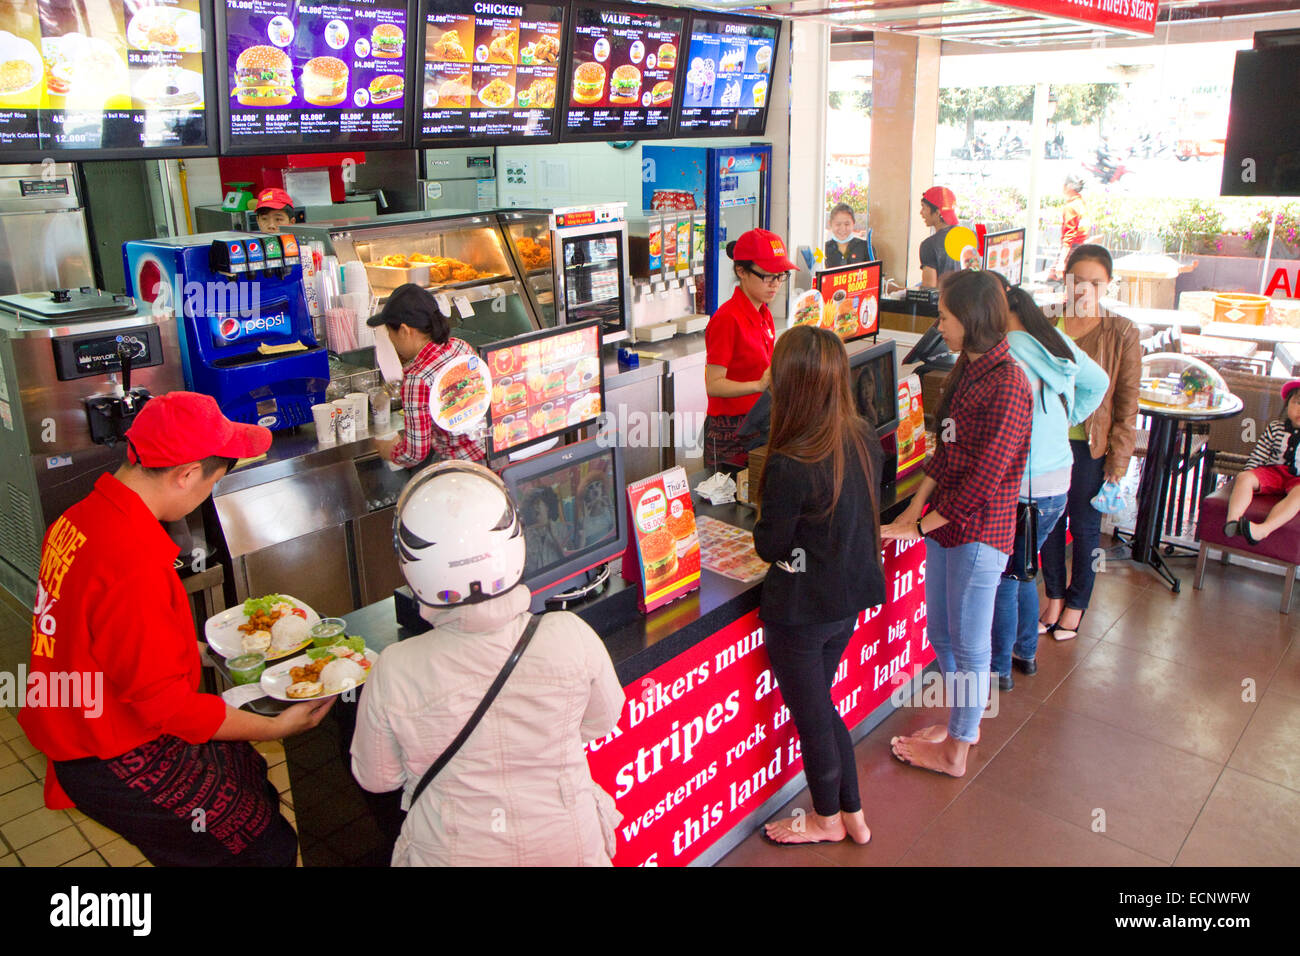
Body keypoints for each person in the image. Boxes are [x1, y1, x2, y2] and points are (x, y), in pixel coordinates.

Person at [17, 392, 335, 866]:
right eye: (213, 481)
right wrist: (277, 726)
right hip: (112, 752)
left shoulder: (78, 516)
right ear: (186, 474)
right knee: (262, 847)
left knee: (249, 779)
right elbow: (164, 705)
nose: (209, 492)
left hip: (91, 719)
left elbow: (98, 634)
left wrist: (203, 652)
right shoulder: (131, 559)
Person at [351, 462, 625, 865]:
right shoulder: (569, 634)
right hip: (568, 846)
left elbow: (377, 778)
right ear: (513, 540)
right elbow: (603, 720)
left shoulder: (395, 668)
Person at [881, 270, 1032, 777]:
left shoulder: (1010, 383)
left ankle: (957, 750)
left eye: (944, 317)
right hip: (945, 526)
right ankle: (960, 723)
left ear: (970, 319)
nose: (938, 325)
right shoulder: (967, 367)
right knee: (942, 633)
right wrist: (912, 510)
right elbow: (945, 452)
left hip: (978, 534)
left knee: (970, 646)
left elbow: (984, 481)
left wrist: (920, 527)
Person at [753, 325, 883, 845]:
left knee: (813, 715)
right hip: (846, 605)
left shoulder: (790, 461)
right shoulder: (863, 435)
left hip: (800, 615)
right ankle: (852, 813)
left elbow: (771, 546)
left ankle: (827, 819)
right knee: (822, 707)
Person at [990, 284, 1109, 691]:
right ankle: (1025, 653)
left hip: (1023, 485)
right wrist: (1069, 413)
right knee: (1023, 570)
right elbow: (1099, 381)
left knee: (1007, 575)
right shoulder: (1057, 341)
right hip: (1059, 477)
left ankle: (999, 667)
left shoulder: (1004, 351)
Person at [1039, 245, 1141, 640]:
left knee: (1083, 528)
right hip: (1046, 442)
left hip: (1089, 448)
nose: (1084, 289)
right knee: (1047, 524)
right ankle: (1054, 598)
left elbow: (1126, 406)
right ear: (1064, 279)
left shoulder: (1122, 331)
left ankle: (1077, 605)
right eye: (1077, 281)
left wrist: (1117, 468)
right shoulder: (1046, 321)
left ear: (1109, 285)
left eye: (1095, 283)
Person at [703, 228, 794, 474]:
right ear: (741, 271)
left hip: (760, 420)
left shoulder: (764, 313)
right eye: (767, 276)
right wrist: (757, 385)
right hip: (729, 431)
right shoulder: (727, 319)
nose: (775, 284)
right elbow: (713, 384)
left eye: (780, 276)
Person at [369, 283, 487, 470]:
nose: (391, 340)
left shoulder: (417, 378)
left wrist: (388, 450)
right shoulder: (460, 347)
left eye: (390, 333)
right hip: (490, 453)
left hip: (461, 469)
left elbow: (414, 453)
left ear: (405, 331)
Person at [1223, 379, 1300, 544]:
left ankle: (1263, 530)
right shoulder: (1275, 428)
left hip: (1298, 480)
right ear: (1287, 405)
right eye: (1298, 403)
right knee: (1244, 477)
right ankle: (1233, 521)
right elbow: (1259, 454)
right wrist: (1249, 473)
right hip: (1273, 472)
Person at [918, 186, 961, 288]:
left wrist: (898, 291)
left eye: (924, 207)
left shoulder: (929, 245)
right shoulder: (970, 235)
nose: (921, 212)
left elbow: (929, 289)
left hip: (945, 301)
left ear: (937, 212)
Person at [1049, 176, 1090, 280]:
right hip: (1080, 247)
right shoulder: (1081, 203)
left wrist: (1061, 262)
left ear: (1069, 187)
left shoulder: (1071, 207)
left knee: (1052, 279)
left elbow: (1069, 236)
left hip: (1071, 249)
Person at [824, 203, 871, 268]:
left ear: (853, 223)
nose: (843, 228)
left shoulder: (866, 248)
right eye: (838, 224)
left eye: (847, 224)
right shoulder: (824, 249)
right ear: (830, 224)